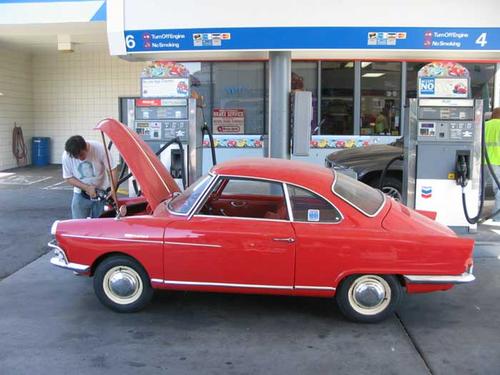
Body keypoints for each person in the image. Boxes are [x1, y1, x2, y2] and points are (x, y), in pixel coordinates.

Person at [62, 135, 118, 219]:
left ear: (86, 148)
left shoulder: (100, 149)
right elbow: (68, 177)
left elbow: (113, 169)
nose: (79, 159)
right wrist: (86, 188)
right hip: (80, 195)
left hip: (102, 192)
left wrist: (113, 190)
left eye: (81, 155)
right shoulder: (67, 156)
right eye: (76, 157)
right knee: (78, 225)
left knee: (101, 225)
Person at [485, 108, 500, 221]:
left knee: (478, 190)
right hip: (497, 161)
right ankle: (497, 216)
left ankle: (473, 214)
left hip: (482, 161)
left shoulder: (485, 125)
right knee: (498, 189)